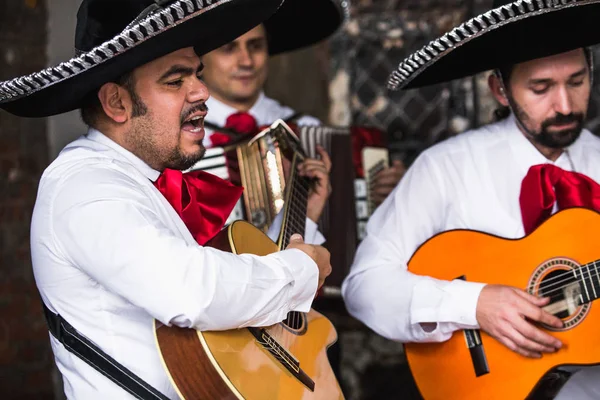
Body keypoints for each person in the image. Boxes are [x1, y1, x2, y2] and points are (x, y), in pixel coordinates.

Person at [0, 1, 333, 398]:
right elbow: (195, 292)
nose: (202, 92)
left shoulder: (145, 180)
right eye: (175, 81)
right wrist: (300, 270)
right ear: (116, 103)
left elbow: (226, 297)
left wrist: (303, 225)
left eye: (197, 74)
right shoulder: (84, 185)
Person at [342, 0, 600, 398]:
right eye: (541, 88)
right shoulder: (446, 168)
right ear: (500, 89)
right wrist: (473, 303)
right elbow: (365, 287)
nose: (564, 105)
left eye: (577, 81)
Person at [196, 0, 405, 235]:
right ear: (201, 60)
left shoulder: (306, 128)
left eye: (255, 46)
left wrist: (381, 195)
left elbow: (346, 217)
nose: (246, 61)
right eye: (229, 48)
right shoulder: (187, 134)